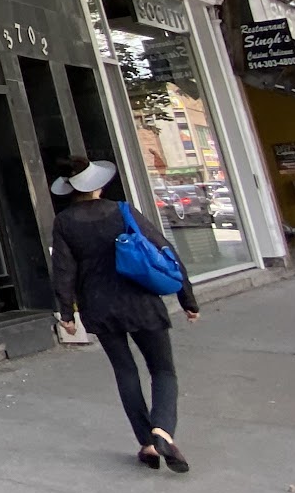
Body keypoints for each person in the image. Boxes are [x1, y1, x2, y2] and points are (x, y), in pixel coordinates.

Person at [50, 158, 200, 471]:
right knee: (162, 370)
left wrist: (67, 312)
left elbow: (64, 270)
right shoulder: (122, 211)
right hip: (140, 301)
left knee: (125, 371)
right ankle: (163, 429)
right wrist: (187, 298)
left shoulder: (64, 222)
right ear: (97, 185)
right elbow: (163, 250)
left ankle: (146, 443)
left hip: (98, 307)